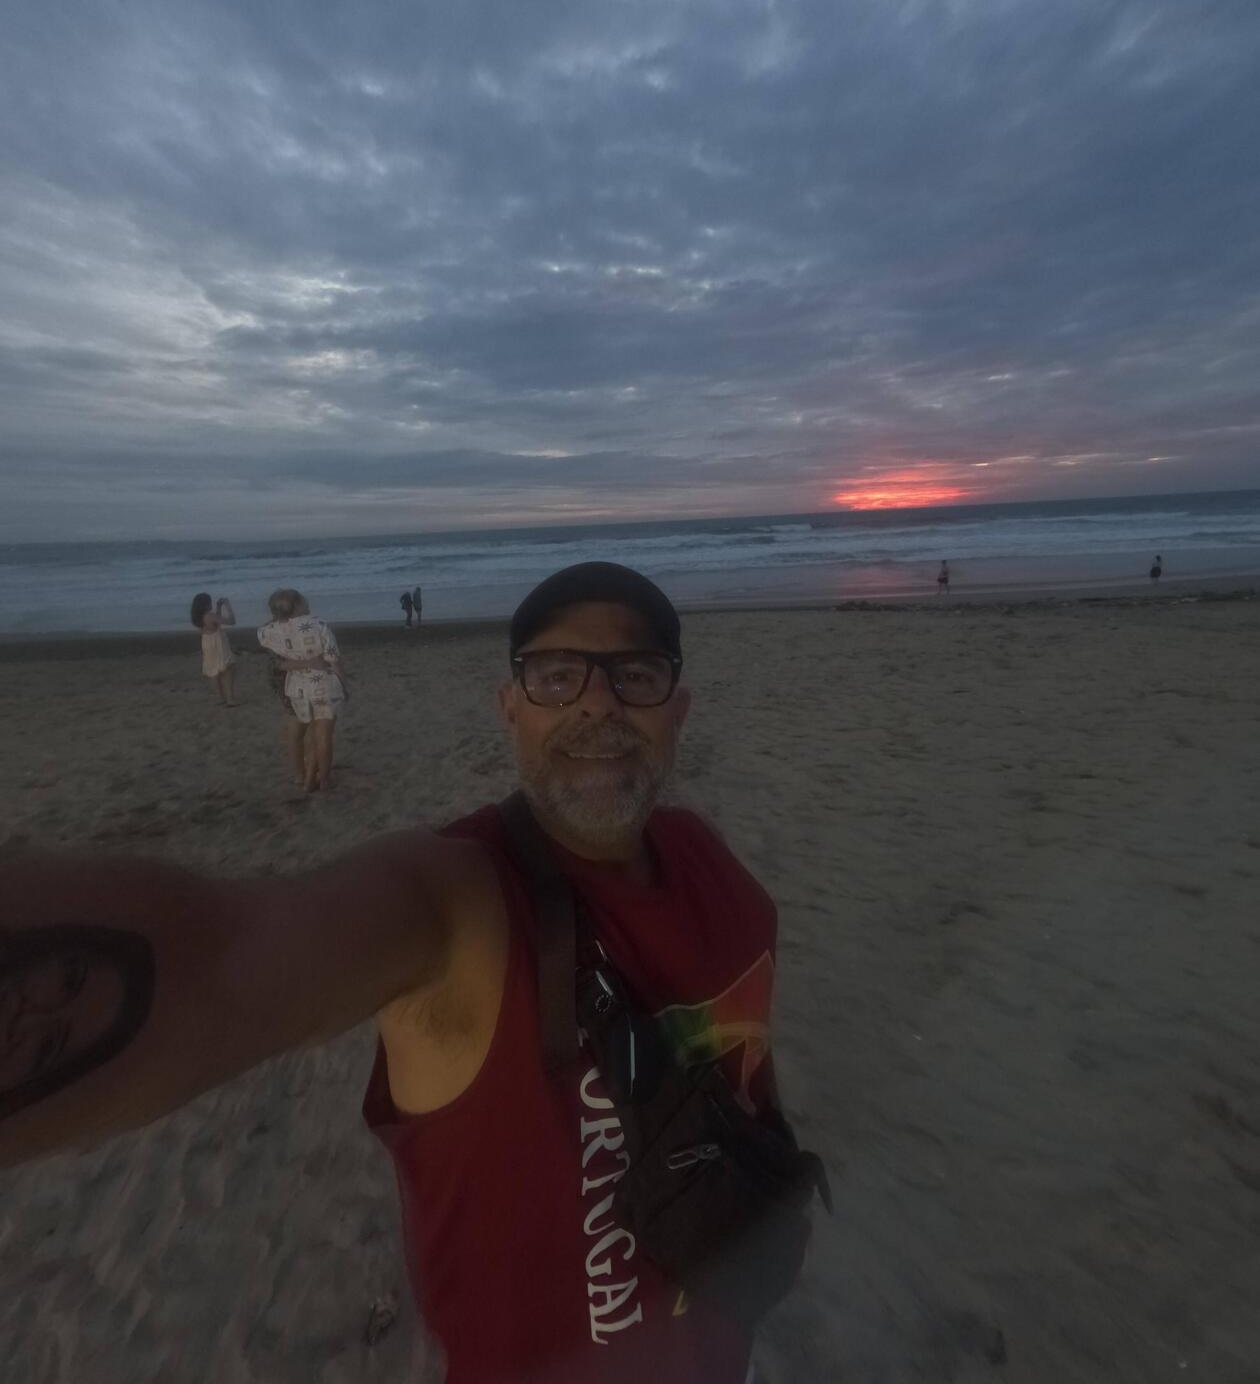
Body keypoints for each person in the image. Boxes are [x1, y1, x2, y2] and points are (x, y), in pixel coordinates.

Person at [2, 563, 811, 1383]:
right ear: (509, 709)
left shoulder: (714, 865)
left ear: (678, 711)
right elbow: (225, 961)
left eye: (634, 675)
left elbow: (748, 1077)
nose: (598, 702)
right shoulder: (457, 903)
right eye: (556, 675)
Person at [257, 589, 348, 792]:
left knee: (300, 732)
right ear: (297, 605)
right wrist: (344, 684)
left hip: (297, 687)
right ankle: (324, 780)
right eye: (303, 599)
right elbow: (334, 660)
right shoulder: (319, 624)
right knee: (323, 736)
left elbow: (263, 637)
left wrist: (280, 617)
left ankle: (303, 777)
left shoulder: (270, 631)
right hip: (323, 684)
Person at [191, 592, 237, 706]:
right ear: (205, 604)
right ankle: (230, 699)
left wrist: (219, 607)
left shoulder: (198, 618)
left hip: (207, 643)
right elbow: (232, 621)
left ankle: (219, 697)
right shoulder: (210, 616)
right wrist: (228, 605)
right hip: (218, 643)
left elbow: (215, 623)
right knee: (227, 668)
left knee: (213, 670)